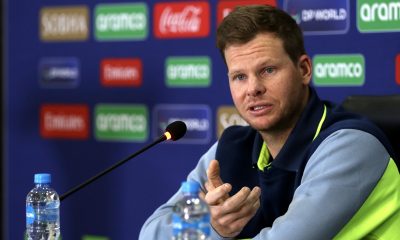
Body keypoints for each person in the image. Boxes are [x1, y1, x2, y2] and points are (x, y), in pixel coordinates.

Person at [139, 5, 400, 239]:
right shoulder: (230, 149)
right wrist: (212, 226)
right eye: (239, 76)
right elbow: (152, 233)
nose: (253, 89)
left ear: (304, 70)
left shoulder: (351, 146)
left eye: (268, 70)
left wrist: (203, 232)